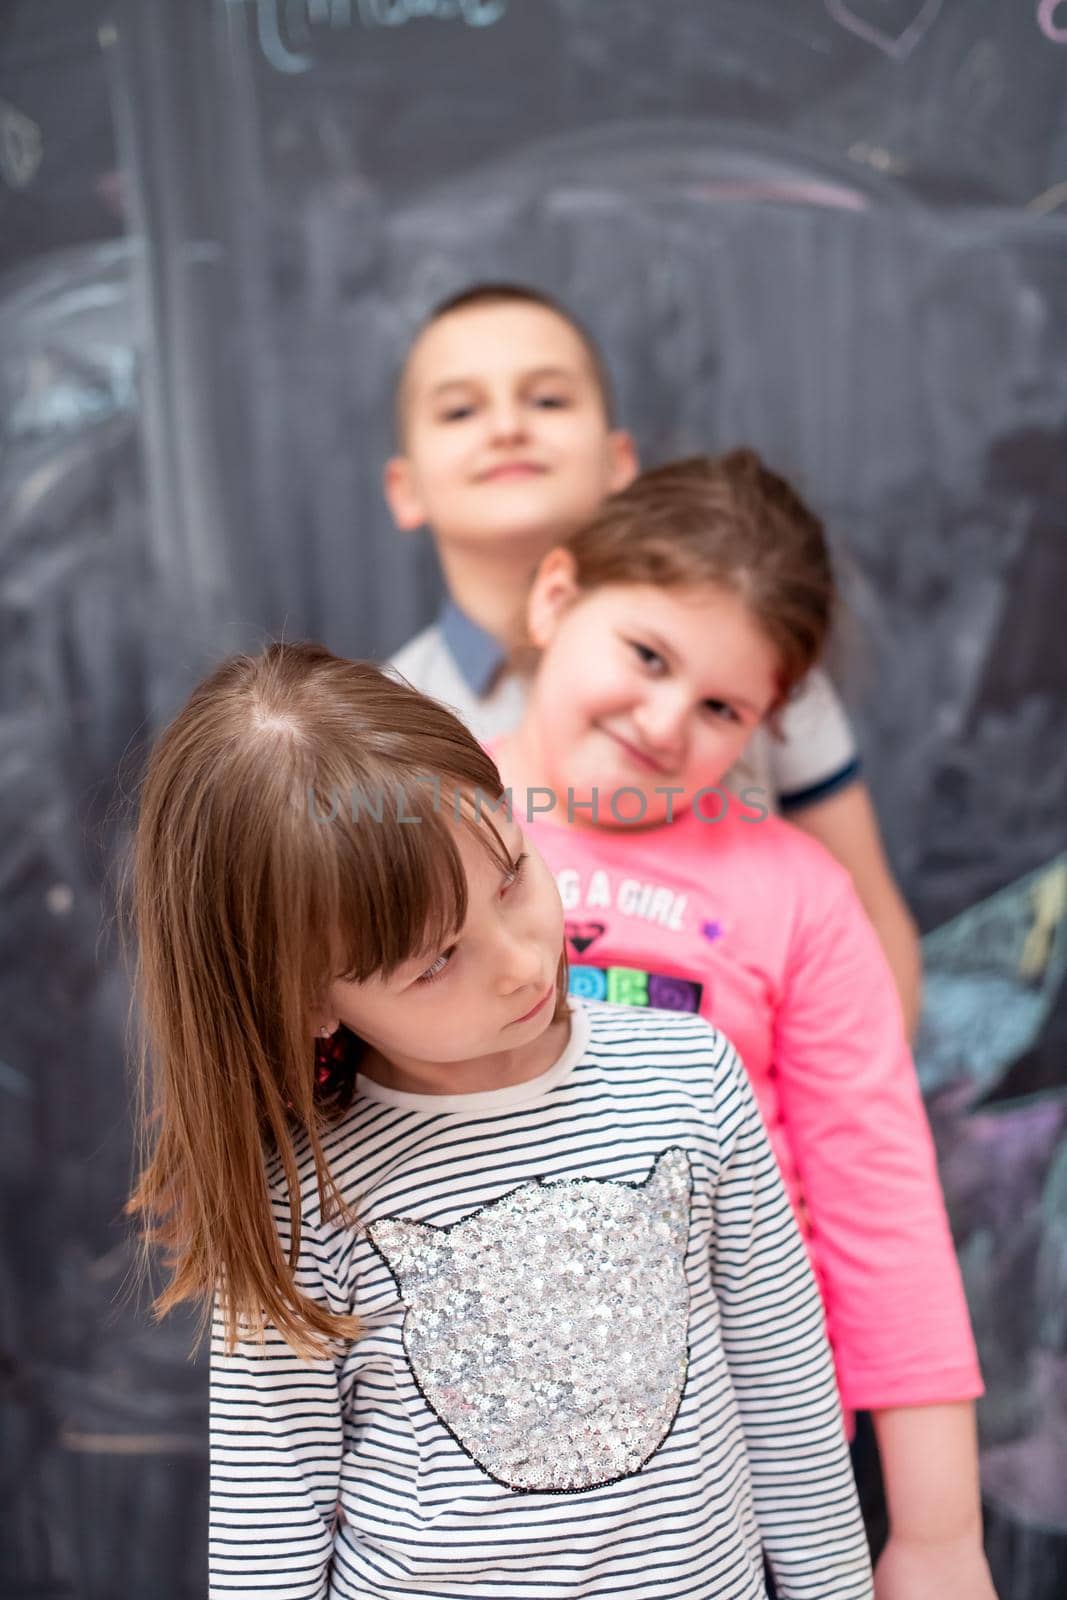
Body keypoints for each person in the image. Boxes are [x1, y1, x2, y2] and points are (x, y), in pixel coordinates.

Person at [128, 642, 873, 1600]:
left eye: (514, 874)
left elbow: (789, 1409)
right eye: (436, 961)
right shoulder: (304, 1199)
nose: (522, 962)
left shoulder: (690, 1078)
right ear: (307, 1000)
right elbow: (270, 1528)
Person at [493, 453, 997, 1600]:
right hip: (457, 1458)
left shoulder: (799, 897)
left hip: (738, 1467)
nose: (665, 721)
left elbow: (882, 1210)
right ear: (555, 597)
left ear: (769, 722)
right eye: (646, 655)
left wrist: (933, 1537)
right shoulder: (418, 827)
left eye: (722, 706)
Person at [383, 282, 923, 1032]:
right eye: (460, 410)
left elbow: (867, 931)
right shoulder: (380, 725)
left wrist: (854, 1113)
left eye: (546, 401)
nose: (506, 427)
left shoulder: (760, 671)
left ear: (618, 460)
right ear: (404, 489)